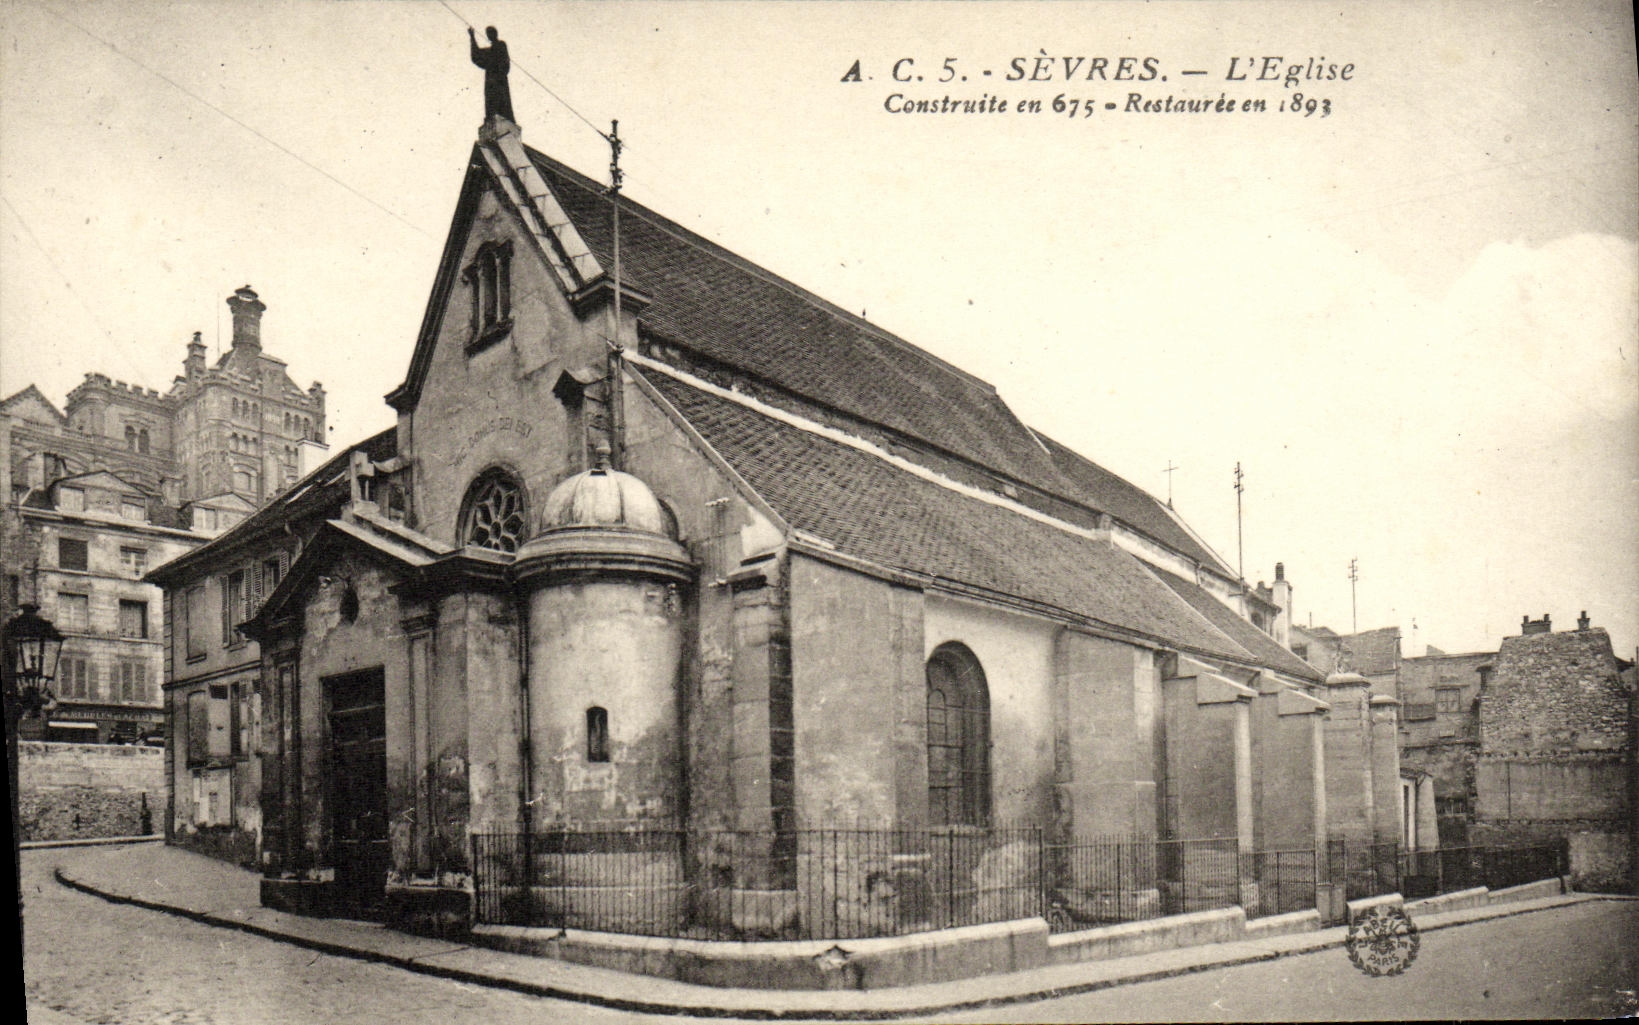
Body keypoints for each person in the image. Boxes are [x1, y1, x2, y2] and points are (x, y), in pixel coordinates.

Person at [469, 26, 515, 123]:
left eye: (491, 33)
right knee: (491, 101)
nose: (489, 35)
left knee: (502, 100)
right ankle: (492, 117)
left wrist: (498, 69)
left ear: (495, 34)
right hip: (490, 80)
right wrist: (472, 37)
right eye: (488, 34)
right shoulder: (489, 51)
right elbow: (476, 56)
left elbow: (505, 62)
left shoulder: (501, 45)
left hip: (499, 79)